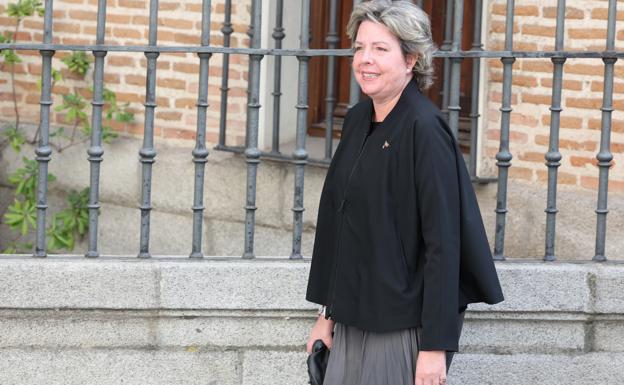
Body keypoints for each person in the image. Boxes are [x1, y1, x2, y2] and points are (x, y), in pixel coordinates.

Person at [305, 1, 505, 385]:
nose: (365, 60)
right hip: (352, 320)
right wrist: (326, 315)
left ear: (411, 59)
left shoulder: (425, 131)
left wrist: (434, 348)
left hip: (399, 328)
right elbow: (346, 226)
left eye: (381, 49)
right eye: (360, 48)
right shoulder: (359, 118)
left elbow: (444, 246)